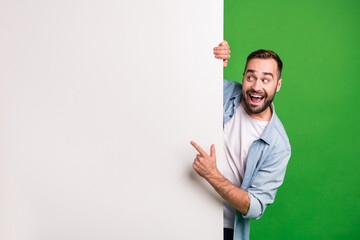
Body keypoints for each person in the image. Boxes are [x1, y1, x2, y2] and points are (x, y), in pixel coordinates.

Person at [190, 41, 291, 240]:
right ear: (243, 76)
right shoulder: (226, 93)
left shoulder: (278, 146)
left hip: (224, 230)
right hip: (184, 210)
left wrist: (212, 174)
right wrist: (211, 55)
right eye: (251, 76)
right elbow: (188, 76)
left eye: (266, 80)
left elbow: (254, 206)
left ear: (278, 85)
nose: (256, 86)